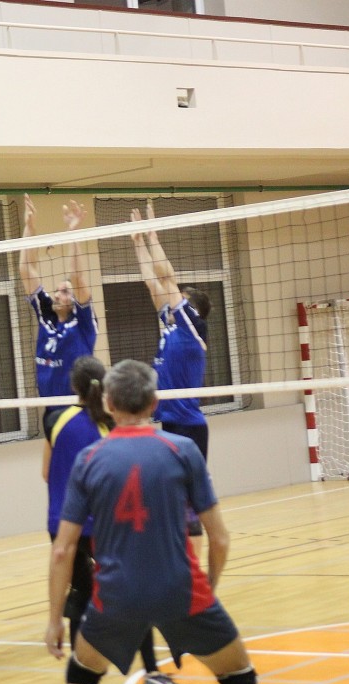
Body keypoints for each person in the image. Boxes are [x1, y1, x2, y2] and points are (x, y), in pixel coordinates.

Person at [45, 360, 259, 684]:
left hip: (114, 595)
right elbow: (219, 538)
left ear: (108, 403)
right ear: (155, 403)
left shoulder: (89, 459)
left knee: (83, 675)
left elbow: (63, 550)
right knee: (238, 679)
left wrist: (53, 619)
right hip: (182, 591)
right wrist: (208, 589)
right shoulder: (183, 449)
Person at [43, 356, 191, 684]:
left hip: (60, 523)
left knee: (81, 591)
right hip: (101, 525)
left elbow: (46, 473)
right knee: (134, 593)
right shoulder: (110, 425)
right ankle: (152, 673)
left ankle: (80, 675)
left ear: (74, 387)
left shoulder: (54, 419)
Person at [130, 201, 210, 537]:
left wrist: (152, 235)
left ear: (193, 310)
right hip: (168, 422)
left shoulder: (193, 331)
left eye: (180, 297)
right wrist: (137, 243)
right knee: (169, 500)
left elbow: (166, 278)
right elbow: (154, 283)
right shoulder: (171, 326)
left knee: (190, 508)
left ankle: (195, 559)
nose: (171, 296)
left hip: (189, 426)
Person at [19, 194, 98, 414]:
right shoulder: (46, 317)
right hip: (49, 410)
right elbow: (26, 270)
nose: (56, 295)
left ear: (74, 300)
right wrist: (29, 227)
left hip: (77, 410)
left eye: (64, 292)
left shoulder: (83, 324)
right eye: (56, 290)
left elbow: (77, 277)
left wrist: (73, 232)